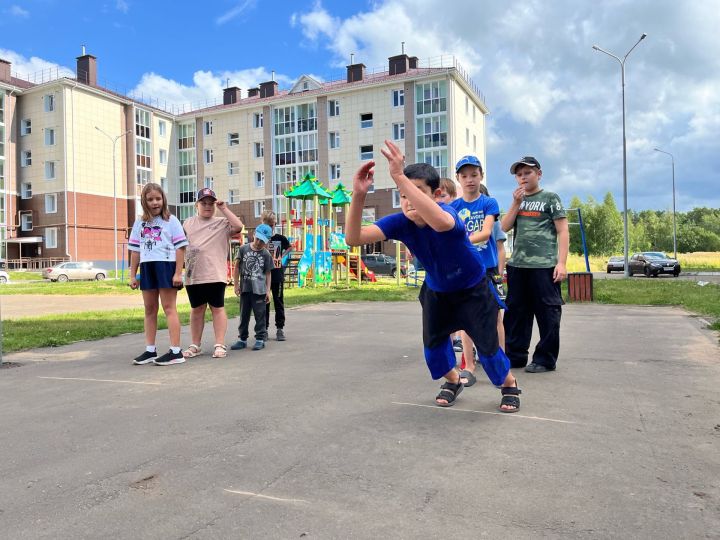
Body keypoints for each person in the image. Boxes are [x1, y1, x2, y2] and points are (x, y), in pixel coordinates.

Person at [346, 140, 521, 412]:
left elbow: (440, 224)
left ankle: (509, 383)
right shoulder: (400, 222)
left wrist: (398, 177)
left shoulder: (448, 214)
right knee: (434, 349)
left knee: (488, 351)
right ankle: (453, 380)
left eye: (416, 192)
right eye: (403, 195)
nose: (408, 201)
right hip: (438, 291)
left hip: (473, 290)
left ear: (437, 194)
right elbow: (353, 238)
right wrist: (358, 196)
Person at [501, 156, 569, 373]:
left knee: (548, 313)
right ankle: (515, 355)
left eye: (527, 173)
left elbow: (563, 230)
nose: (523, 177)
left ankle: (545, 359)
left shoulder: (550, 198)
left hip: (545, 266)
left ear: (538, 174)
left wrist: (562, 263)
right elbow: (504, 227)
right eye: (519, 174)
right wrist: (515, 203)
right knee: (516, 314)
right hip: (518, 266)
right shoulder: (517, 200)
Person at [450, 156, 503, 388]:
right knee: (465, 320)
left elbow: (486, 232)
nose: (469, 180)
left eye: (474, 174)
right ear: (458, 179)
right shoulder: (453, 208)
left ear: (481, 175)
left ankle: (501, 362)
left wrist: (461, 243)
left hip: (487, 269)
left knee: (495, 317)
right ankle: (468, 366)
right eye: (464, 176)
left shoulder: (489, 203)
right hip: (465, 271)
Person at [128, 182, 188, 366]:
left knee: (169, 308)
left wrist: (178, 273)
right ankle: (150, 350)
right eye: (150, 199)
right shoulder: (140, 223)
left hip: (166, 265)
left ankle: (176, 351)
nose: (155, 202)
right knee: (149, 309)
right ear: (144, 202)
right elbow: (135, 251)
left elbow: (181, 248)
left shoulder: (172, 220)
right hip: (148, 267)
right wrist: (132, 275)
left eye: (158, 198)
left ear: (163, 199)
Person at [182, 188, 244, 359]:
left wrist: (224, 208)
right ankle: (195, 345)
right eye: (204, 203)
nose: (207, 206)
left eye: (211, 203)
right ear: (197, 205)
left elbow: (238, 226)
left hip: (215, 273)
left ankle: (219, 344)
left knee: (217, 308)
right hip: (193, 274)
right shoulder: (188, 223)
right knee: (197, 309)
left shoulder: (222, 223)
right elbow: (179, 245)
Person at [231, 224, 274, 351]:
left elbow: (268, 273)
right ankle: (242, 339)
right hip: (245, 288)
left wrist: (268, 291)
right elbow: (237, 267)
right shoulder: (243, 249)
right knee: (244, 314)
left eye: (263, 241)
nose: (259, 243)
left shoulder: (266, 254)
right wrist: (236, 285)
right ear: (254, 234)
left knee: (260, 315)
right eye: (258, 239)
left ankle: (260, 339)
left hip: (259, 290)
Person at [261, 210, 291, 341]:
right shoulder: (260, 238)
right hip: (264, 275)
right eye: (269, 225)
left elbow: (290, 247)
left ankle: (280, 329)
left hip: (277, 275)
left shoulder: (279, 238)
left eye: (273, 225)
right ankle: (264, 329)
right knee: (264, 303)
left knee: (278, 301)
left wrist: (282, 256)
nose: (271, 227)